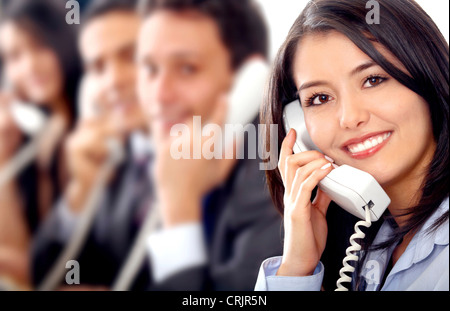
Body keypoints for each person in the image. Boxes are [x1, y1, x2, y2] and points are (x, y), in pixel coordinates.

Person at [255, 0, 449, 291]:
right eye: (319, 98)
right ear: (299, 126)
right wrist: (297, 267)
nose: (350, 118)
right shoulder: (370, 246)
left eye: (373, 79)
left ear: (428, 75)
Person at [137, 0, 283, 291]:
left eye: (187, 68)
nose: (159, 95)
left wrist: (179, 209)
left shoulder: (273, 175)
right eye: (151, 69)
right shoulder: (150, 157)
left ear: (247, 79)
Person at [31, 0, 152, 290]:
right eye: (98, 68)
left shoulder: (217, 151)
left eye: (131, 56)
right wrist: (79, 193)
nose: (113, 81)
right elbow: (43, 273)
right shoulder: (114, 156)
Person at [0, 0, 81, 287]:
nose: (30, 66)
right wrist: (3, 160)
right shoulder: (33, 139)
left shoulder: (88, 137)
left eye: (39, 47)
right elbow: (15, 255)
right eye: (14, 57)